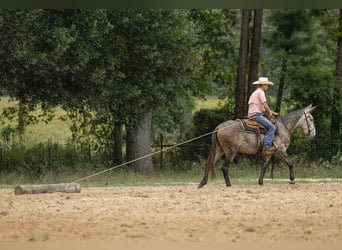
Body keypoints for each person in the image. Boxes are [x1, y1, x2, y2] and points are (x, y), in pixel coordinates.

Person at [248, 77, 279, 156]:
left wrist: (272, 112)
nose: (268, 87)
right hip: (256, 115)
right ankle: (267, 147)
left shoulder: (256, 92)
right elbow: (265, 105)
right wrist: (269, 112)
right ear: (263, 85)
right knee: (272, 127)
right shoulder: (261, 92)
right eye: (267, 85)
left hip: (253, 114)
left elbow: (262, 107)